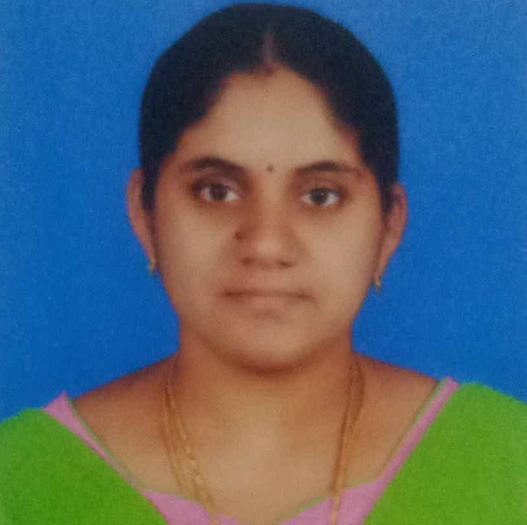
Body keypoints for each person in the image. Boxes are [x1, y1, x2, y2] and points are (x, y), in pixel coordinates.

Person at [0, 3, 525, 525]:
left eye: (320, 196)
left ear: (388, 228)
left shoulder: (503, 460)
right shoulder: (25, 479)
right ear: (144, 214)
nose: (267, 244)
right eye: (216, 191)